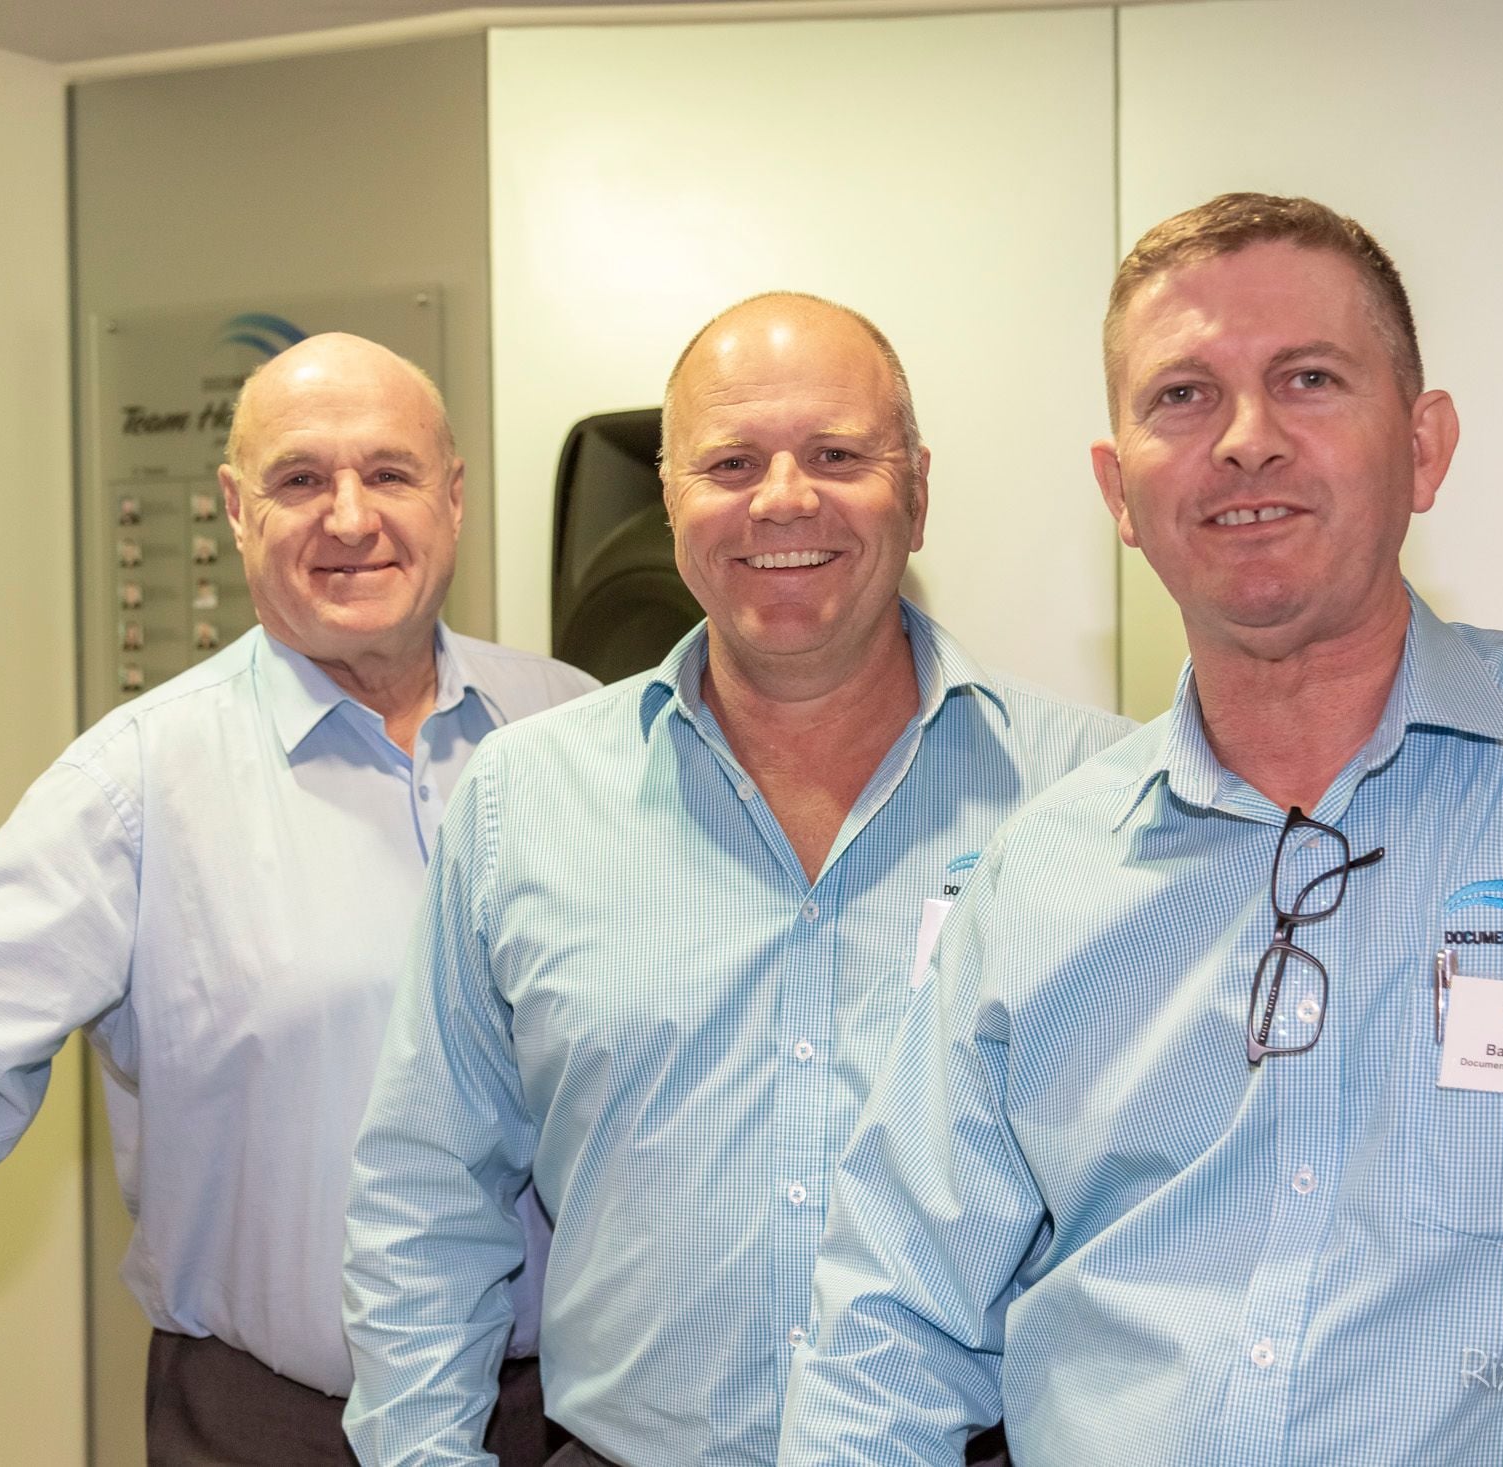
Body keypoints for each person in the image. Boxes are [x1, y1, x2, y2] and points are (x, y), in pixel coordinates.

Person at [777, 194, 1503, 1467]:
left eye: (1307, 379)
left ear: (1423, 447)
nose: (1245, 440)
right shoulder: (1038, 874)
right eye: (1182, 397)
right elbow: (886, 1330)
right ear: (1119, 491)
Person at [342, 292, 1133, 1467]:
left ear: (917, 491)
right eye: (730, 463)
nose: (782, 499)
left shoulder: (1091, 799)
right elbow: (427, 1201)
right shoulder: (523, 801)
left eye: (837, 455)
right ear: (669, 501)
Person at [0, 333, 595, 1465]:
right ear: (234, 508)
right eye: (300, 479)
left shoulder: (579, 728)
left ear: (453, 496)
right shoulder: (133, 786)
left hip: (573, 1418)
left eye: (390, 472)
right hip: (277, 1427)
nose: (351, 517)